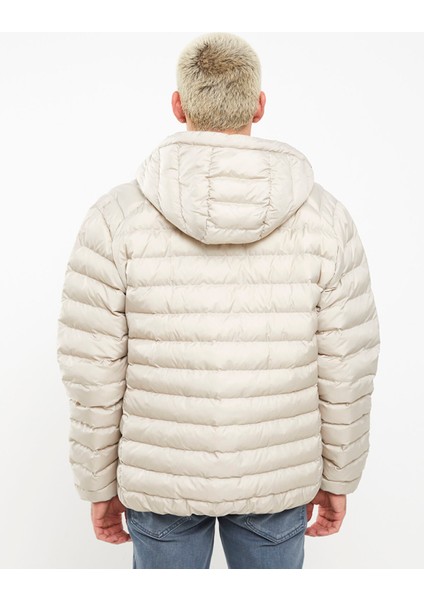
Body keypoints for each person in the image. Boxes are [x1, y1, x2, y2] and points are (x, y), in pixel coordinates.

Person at [56, 32, 380, 569]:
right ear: (259, 104)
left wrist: (98, 483)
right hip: (275, 477)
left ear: (178, 105)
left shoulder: (116, 218)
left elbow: (92, 368)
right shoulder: (325, 220)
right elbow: (348, 364)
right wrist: (340, 475)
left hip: (162, 481)